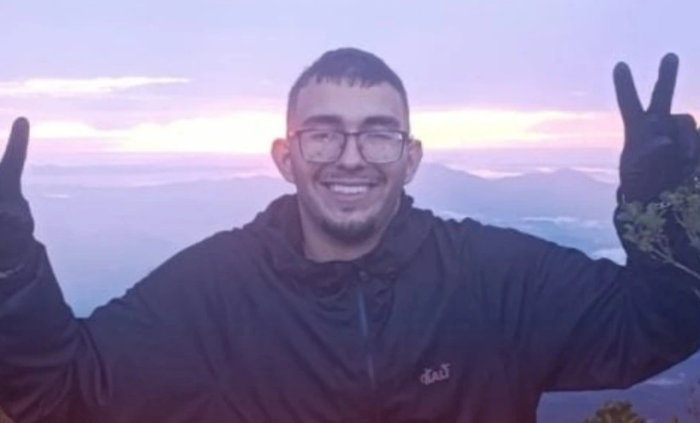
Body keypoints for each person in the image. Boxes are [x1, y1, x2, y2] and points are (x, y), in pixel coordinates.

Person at [1, 47, 699, 423]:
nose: (352, 157)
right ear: (286, 157)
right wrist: (10, 270)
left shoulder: (495, 277)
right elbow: (64, 393)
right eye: (324, 133)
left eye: (378, 134)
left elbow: (649, 327)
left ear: (410, 157)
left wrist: (670, 220)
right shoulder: (212, 292)